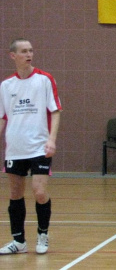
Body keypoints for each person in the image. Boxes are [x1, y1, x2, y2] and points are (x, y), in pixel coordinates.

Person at [0, 39, 61, 255]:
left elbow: (55, 111)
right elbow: (2, 118)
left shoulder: (44, 80)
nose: (29, 54)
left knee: (39, 191)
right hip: (15, 148)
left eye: (31, 51)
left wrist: (51, 139)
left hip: (39, 147)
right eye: (24, 51)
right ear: (13, 56)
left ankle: (42, 235)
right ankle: (19, 241)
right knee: (15, 194)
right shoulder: (6, 86)